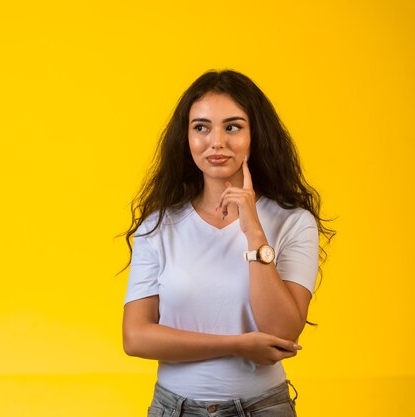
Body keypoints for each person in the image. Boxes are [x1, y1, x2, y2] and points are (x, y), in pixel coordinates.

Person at [122, 70, 334, 417]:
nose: (216, 142)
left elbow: (282, 331)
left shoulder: (292, 222)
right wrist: (237, 345)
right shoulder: (160, 226)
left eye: (233, 127)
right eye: (201, 127)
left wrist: (254, 232)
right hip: (174, 409)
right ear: (186, 138)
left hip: (263, 409)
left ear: (256, 135)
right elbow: (136, 337)